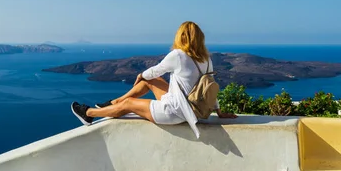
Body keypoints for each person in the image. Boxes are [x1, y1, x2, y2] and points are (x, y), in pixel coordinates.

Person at [71, 21, 237, 138]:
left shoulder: (178, 55)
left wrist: (140, 75)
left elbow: (155, 70)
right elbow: (209, 88)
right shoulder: (206, 60)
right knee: (147, 82)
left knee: (129, 103)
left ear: (181, 37)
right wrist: (219, 112)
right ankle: (114, 102)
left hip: (175, 112)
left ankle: (88, 113)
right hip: (193, 110)